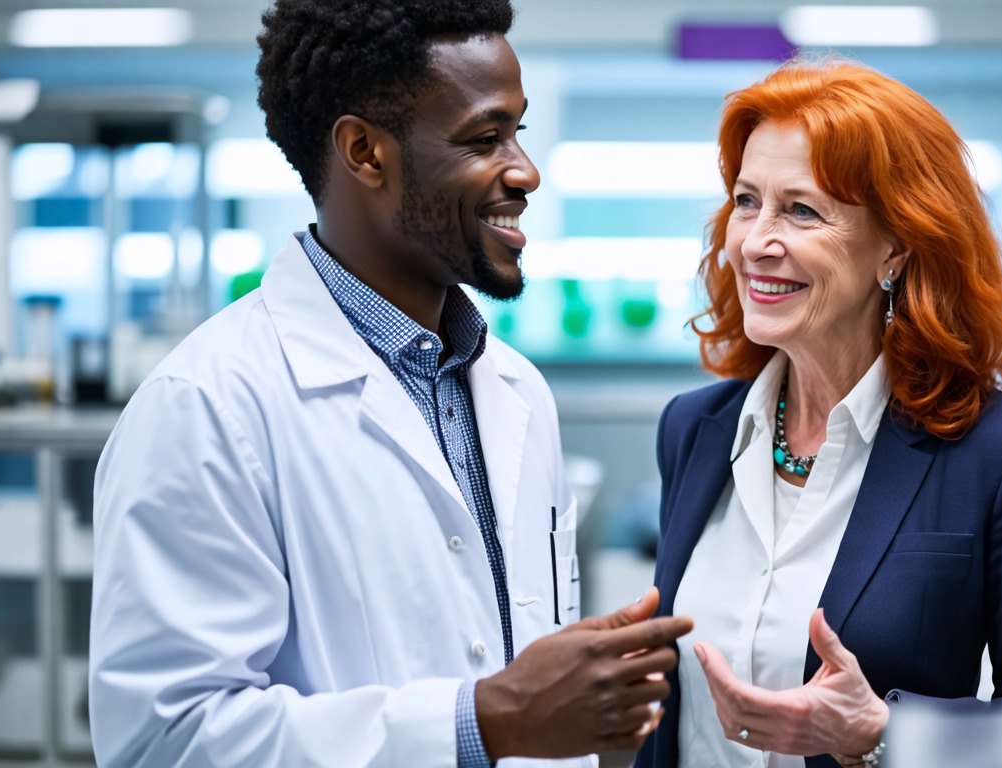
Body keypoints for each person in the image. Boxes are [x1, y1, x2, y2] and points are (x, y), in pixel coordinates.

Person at [88, 2, 691, 767]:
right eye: (484, 138)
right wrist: (479, 722)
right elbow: (162, 741)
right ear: (366, 153)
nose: (525, 170)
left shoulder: (518, 393)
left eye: (519, 132)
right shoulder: (207, 405)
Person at [634, 62, 1002, 768]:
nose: (755, 241)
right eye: (746, 201)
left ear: (895, 245)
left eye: (802, 210)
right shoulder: (694, 429)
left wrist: (879, 735)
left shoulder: (1000, 453)